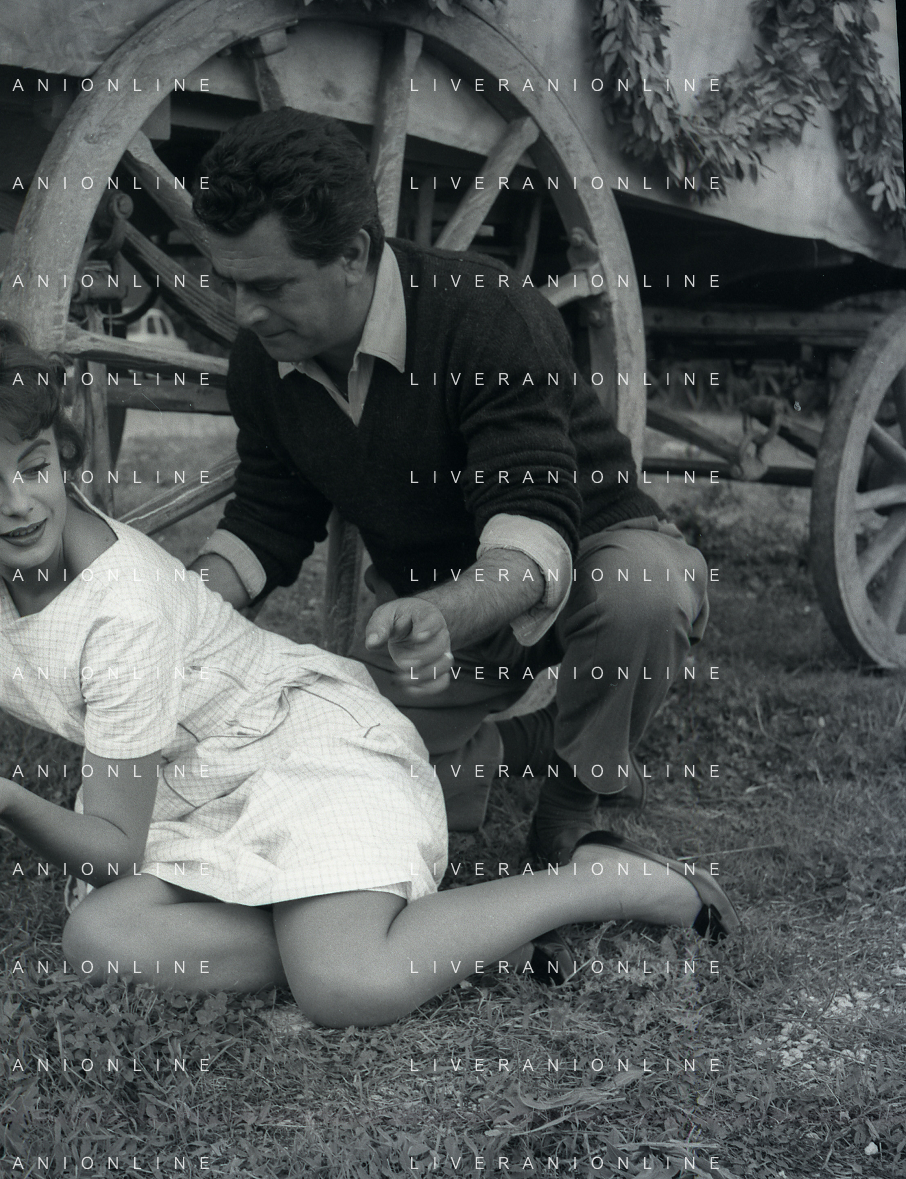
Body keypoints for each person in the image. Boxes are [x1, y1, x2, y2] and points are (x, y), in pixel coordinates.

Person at [0, 317, 736, 1028]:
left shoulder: (121, 604)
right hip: (197, 785)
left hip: (306, 749)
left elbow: (108, 847)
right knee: (99, 940)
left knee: (347, 989)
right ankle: (367, 928)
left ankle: (588, 884)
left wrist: (8, 800)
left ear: (61, 452)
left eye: (36, 465)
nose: (18, 503)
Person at [189, 108, 710, 861]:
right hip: (436, 604)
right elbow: (269, 514)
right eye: (230, 283)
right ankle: (523, 743)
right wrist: (175, 604)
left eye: (269, 285)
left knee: (644, 590)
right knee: (332, 771)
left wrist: (440, 613)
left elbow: (531, 525)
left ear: (352, 254)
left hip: (579, 556)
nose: (245, 313)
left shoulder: (486, 314)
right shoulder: (261, 363)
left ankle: (575, 800)